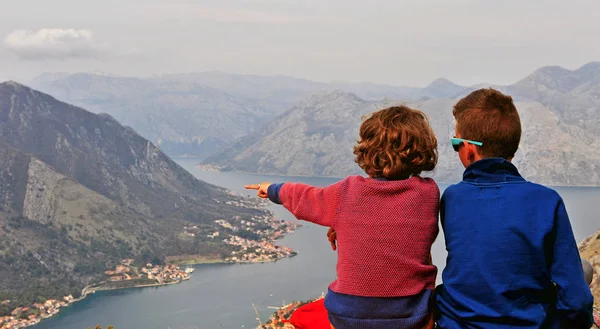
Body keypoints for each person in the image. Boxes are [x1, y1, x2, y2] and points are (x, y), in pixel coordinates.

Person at [246, 105, 440, 329]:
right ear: (421, 151)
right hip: (409, 314)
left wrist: (272, 188)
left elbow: (305, 197)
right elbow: (394, 223)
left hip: (349, 315)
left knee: (302, 316)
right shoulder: (428, 193)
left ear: (367, 150)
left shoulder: (348, 192)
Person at [434, 88, 594, 329]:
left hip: (458, 324)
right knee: (584, 269)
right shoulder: (547, 201)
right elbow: (577, 301)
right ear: (514, 145)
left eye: (456, 142)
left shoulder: (453, 197)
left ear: (469, 150)